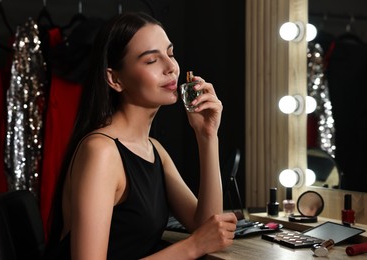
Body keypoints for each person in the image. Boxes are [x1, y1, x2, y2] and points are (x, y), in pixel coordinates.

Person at [45, 11, 237, 260]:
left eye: (170, 53)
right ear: (114, 79)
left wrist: (207, 135)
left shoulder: (152, 149)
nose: (171, 68)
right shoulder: (101, 152)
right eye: (151, 61)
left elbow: (209, 228)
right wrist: (192, 247)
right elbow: (202, 239)